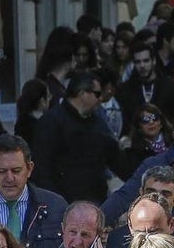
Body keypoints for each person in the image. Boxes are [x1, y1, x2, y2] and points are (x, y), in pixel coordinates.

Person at [31, 70, 122, 203]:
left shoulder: (99, 124)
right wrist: (56, 204)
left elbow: (116, 159)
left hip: (95, 203)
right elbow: (42, 170)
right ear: (83, 93)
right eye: (97, 94)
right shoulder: (51, 123)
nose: (101, 99)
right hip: (63, 205)